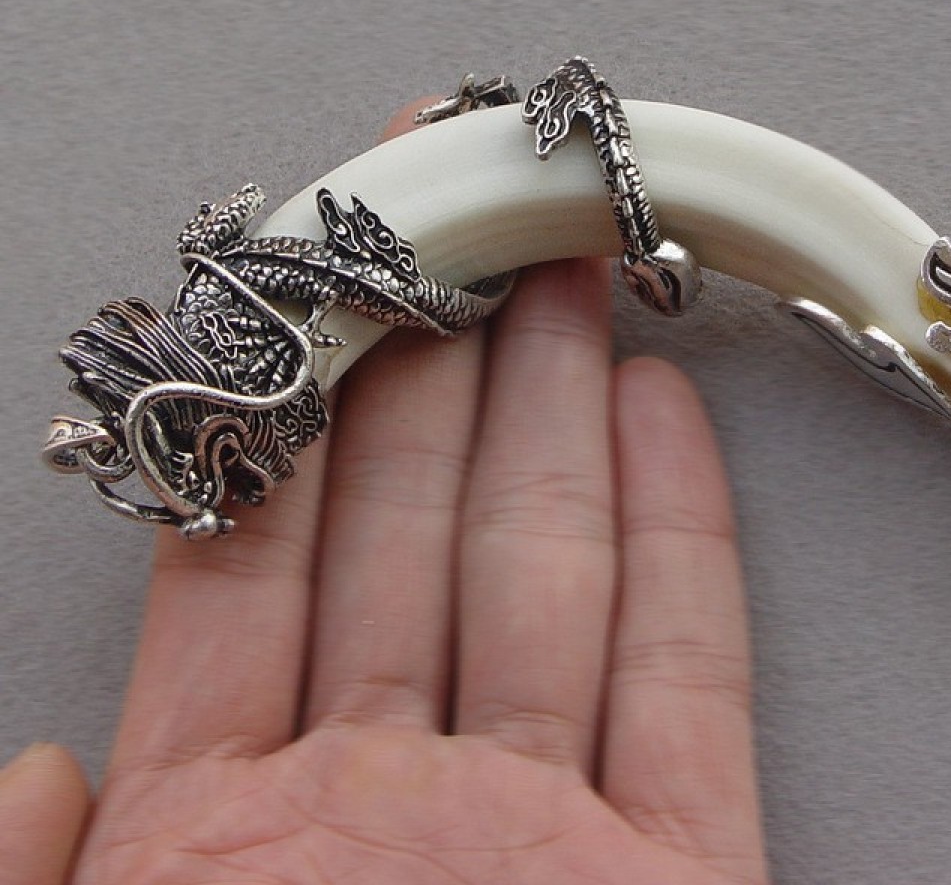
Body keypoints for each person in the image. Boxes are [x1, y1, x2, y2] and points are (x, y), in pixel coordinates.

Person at [0, 102, 768, 885]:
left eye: (91, 441)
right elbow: (262, 397)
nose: (89, 441)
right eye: (94, 446)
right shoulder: (191, 416)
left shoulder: (190, 384)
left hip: (289, 308)